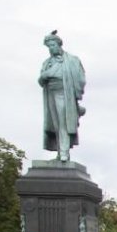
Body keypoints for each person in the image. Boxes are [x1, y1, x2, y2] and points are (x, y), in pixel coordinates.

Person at [37, 30, 86, 163]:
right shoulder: (47, 63)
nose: (51, 49)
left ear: (58, 45)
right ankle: (60, 152)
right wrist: (44, 76)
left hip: (65, 94)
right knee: (56, 124)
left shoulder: (72, 60)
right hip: (51, 94)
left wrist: (76, 95)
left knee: (63, 122)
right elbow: (41, 81)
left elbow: (81, 79)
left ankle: (64, 152)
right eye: (49, 47)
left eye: (52, 45)